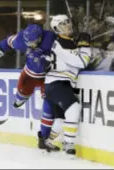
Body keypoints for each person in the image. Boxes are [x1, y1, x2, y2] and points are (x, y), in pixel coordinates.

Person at [37, 14, 92, 155]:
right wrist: (85, 46)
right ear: (56, 29)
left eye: (68, 22)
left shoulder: (63, 41)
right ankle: (69, 143)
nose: (67, 25)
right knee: (74, 108)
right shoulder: (64, 43)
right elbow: (83, 62)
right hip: (58, 83)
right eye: (62, 24)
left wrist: (78, 44)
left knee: (61, 119)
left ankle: (47, 141)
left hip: (53, 85)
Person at [0, 24, 56, 108]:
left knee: (50, 98)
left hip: (49, 73)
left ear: (40, 37)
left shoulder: (49, 38)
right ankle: (22, 97)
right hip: (31, 71)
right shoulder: (19, 40)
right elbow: (8, 41)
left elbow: (63, 49)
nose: (30, 45)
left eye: (33, 42)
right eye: (28, 42)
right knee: (23, 88)